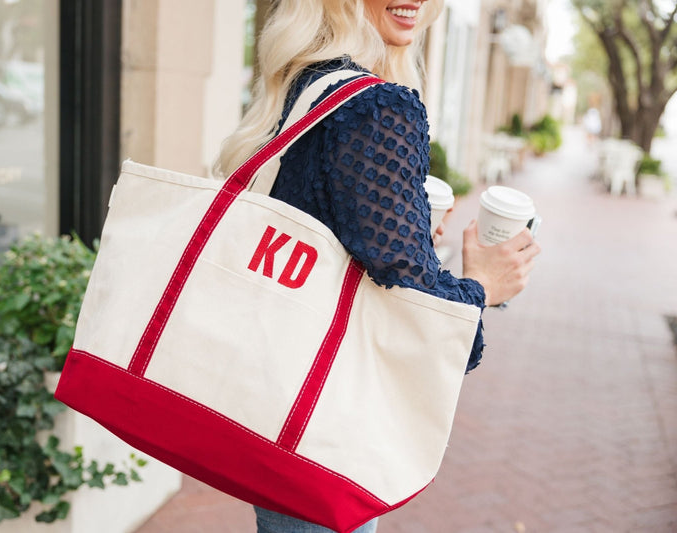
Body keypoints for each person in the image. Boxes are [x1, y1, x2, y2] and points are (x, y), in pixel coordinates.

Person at [216, 1, 541, 531]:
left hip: (274, 397)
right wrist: (485, 283)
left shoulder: (303, 85)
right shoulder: (379, 107)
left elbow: (336, 233)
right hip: (324, 421)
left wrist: (404, 229)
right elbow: (414, 301)